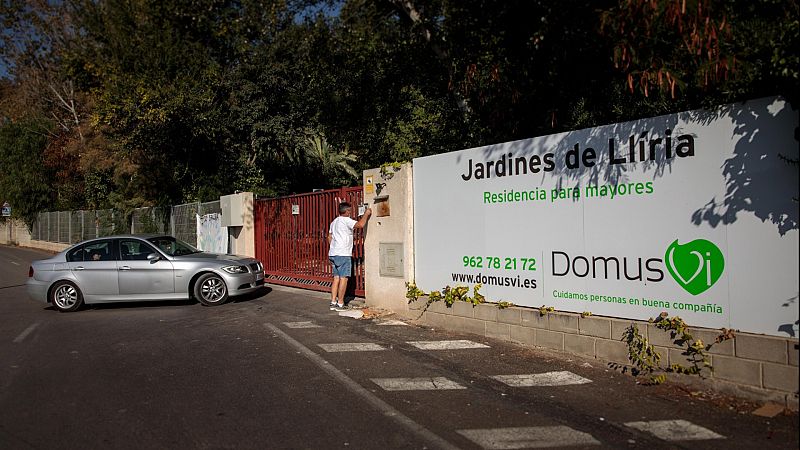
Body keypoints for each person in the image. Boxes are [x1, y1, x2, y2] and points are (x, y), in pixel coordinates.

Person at [328, 201, 371, 311]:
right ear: (347, 211)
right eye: (350, 211)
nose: (350, 213)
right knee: (344, 278)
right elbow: (360, 225)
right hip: (343, 254)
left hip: (333, 253)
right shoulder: (346, 220)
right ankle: (341, 303)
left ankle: (333, 301)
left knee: (336, 278)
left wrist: (334, 246)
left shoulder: (334, 222)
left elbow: (329, 236)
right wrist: (366, 214)